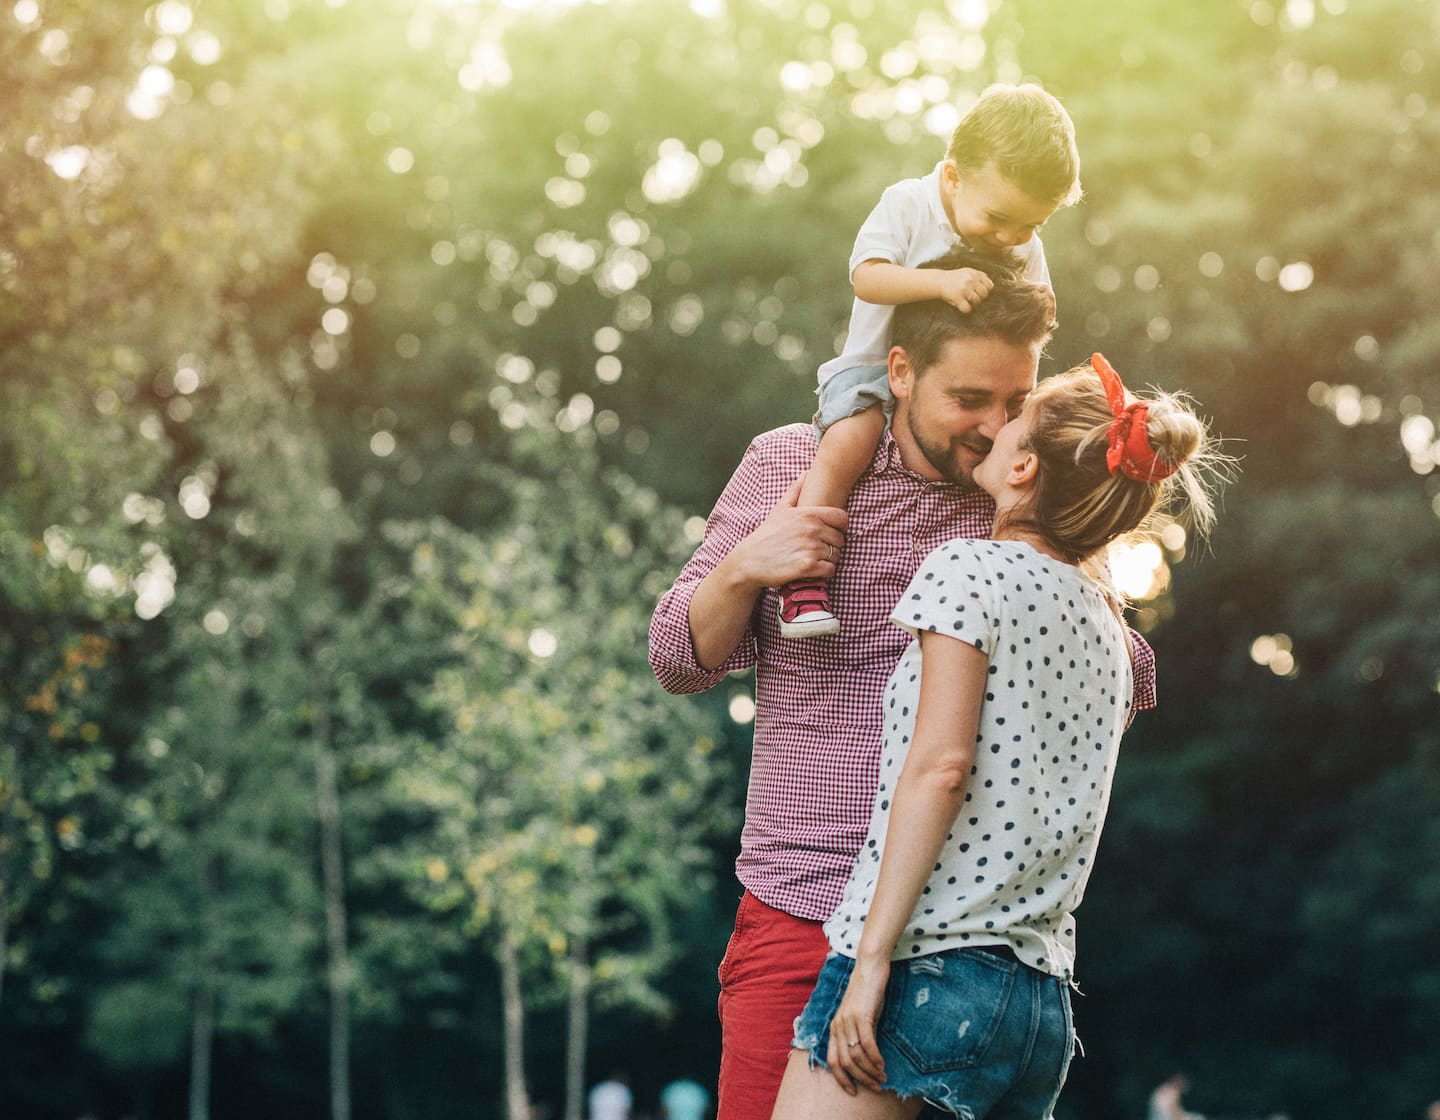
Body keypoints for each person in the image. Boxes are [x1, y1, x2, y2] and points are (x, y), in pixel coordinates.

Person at [648, 249, 1157, 1120]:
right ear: (900, 371)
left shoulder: (1011, 502)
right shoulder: (790, 466)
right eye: (970, 400)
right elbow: (676, 658)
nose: (996, 431)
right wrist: (746, 570)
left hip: (957, 937)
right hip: (805, 907)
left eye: (1013, 404)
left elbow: (1127, 674)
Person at [770, 354, 1226, 1118]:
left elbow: (941, 769)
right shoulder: (1109, 630)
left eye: (1014, 415)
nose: (995, 423)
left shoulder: (968, 570)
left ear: (1021, 467)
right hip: (1036, 1006)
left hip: (926, 969)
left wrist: (872, 959)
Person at [778, 82, 1082, 640]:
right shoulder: (908, 205)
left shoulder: (1018, 240)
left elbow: (1032, 315)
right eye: (998, 219)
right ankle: (802, 582)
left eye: (1029, 226)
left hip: (954, 369)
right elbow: (867, 278)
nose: (1011, 237)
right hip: (871, 369)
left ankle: (1037, 589)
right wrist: (939, 283)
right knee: (847, 445)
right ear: (951, 178)